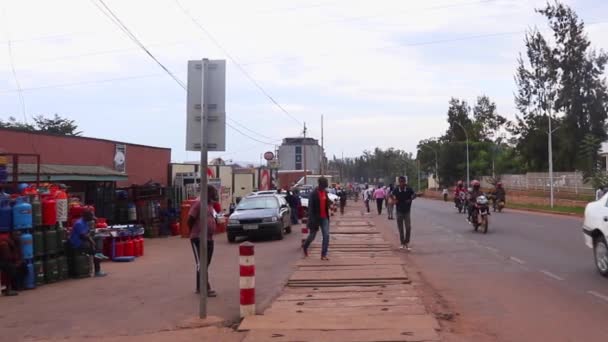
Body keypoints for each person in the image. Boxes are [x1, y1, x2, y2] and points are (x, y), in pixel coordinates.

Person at [188, 185, 218, 297]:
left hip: (209, 238)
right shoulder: (198, 204)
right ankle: (205, 287)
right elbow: (190, 219)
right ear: (207, 193)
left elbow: (214, 217)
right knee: (202, 263)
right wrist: (194, 233)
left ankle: (199, 286)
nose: (215, 195)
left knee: (206, 263)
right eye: (213, 192)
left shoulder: (210, 205)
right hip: (198, 238)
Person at [68, 210, 108, 277]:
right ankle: (97, 271)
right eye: (91, 216)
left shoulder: (85, 221)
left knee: (99, 237)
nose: (92, 218)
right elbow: (84, 237)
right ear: (86, 216)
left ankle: (99, 250)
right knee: (96, 252)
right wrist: (93, 243)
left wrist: (94, 233)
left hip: (84, 240)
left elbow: (88, 233)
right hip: (78, 243)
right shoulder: (79, 223)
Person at [302, 177, 331, 260]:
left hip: (324, 217)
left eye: (325, 187)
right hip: (315, 218)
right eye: (323, 186)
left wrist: (330, 203)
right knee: (312, 236)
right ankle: (305, 246)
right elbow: (310, 208)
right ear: (320, 185)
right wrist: (311, 220)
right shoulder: (313, 194)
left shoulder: (325, 193)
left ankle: (323, 254)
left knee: (326, 235)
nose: (324, 188)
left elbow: (327, 202)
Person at [391, 176, 416, 250]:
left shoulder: (408, 189)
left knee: (408, 227)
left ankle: (406, 241)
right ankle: (402, 243)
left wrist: (410, 199)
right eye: (400, 182)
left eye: (403, 182)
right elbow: (390, 195)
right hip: (399, 211)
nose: (402, 183)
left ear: (405, 182)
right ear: (399, 182)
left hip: (407, 211)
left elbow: (414, 195)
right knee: (400, 228)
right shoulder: (396, 190)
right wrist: (394, 200)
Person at [0, 231, 24, 296]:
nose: (19, 238)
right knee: (10, 267)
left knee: (22, 265)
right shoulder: (5, 243)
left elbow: (19, 256)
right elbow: (7, 257)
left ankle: (18, 286)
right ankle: (8, 289)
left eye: (19, 236)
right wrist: (15, 263)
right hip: (3, 261)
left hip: (6, 261)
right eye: (17, 236)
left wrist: (19, 261)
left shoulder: (15, 244)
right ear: (12, 236)